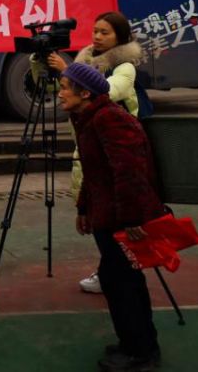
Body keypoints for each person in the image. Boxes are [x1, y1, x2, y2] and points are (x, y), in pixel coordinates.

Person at [60, 62, 164, 372]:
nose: (60, 93)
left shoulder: (110, 119)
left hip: (121, 217)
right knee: (116, 279)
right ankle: (133, 343)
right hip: (106, 214)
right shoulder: (88, 118)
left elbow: (129, 172)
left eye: (65, 87)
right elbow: (94, 172)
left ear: (85, 93)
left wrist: (132, 220)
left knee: (123, 283)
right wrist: (83, 208)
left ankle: (141, 353)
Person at [47, 11, 144, 294]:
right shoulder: (85, 59)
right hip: (90, 147)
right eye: (95, 31)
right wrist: (45, 65)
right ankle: (110, 271)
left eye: (105, 32)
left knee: (114, 222)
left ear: (120, 37)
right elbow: (64, 90)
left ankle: (115, 273)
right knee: (100, 216)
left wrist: (68, 70)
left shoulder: (124, 66)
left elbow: (106, 92)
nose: (97, 37)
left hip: (114, 149)